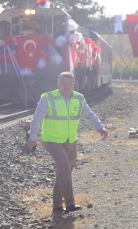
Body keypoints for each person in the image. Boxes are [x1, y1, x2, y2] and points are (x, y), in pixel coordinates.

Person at [26, 71, 108, 215]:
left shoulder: (79, 98)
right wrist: (32, 137)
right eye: (63, 83)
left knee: (65, 170)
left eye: (69, 84)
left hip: (70, 140)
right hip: (51, 140)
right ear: (58, 84)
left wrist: (100, 127)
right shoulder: (48, 98)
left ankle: (57, 205)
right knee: (64, 167)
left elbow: (89, 115)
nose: (66, 86)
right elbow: (37, 118)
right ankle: (70, 204)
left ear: (74, 84)